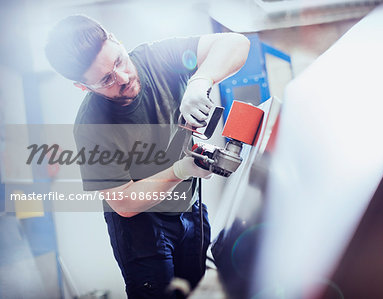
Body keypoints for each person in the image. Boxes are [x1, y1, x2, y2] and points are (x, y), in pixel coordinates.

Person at [45, 15, 249, 298]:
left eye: (118, 61)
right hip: (141, 228)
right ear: (83, 87)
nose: (124, 78)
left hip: (189, 207)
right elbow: (125, 203)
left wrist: (200, 81)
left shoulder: (157, 57)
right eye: (106, 80)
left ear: (116, 40)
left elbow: (236, 43)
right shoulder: (91, 126)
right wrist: (179, 170)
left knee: (194, 291)